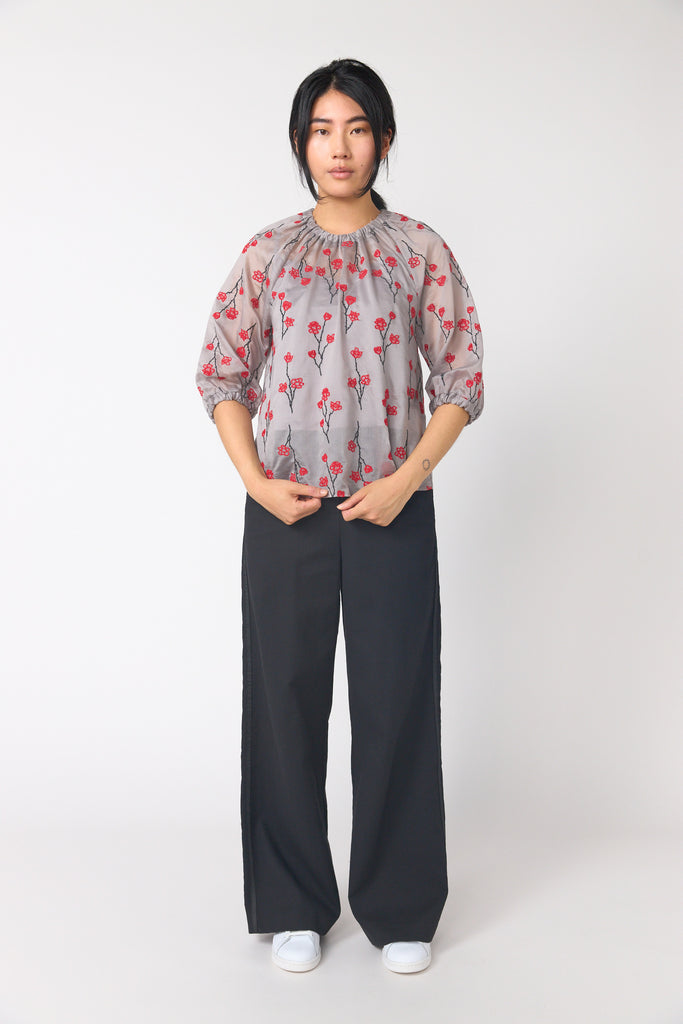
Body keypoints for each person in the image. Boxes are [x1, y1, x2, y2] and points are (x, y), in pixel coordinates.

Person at [194, 57, 484, 974]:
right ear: (299, 143)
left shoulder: (419, 251)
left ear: (383, 141)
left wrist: (408, 477)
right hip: (287, 513)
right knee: (283, 702)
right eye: (322, 130)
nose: (339, 147)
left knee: (396, 701)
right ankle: (293, 904)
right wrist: (254, 482)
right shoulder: (267, 254)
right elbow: (220, 372)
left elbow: (462, 376)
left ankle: (400, 908)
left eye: (357, 128)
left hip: (393, 510)